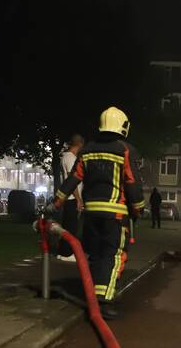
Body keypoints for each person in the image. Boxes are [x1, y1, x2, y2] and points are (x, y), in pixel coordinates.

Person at [47, 106, 145, 319]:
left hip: (90, 214)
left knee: (96, 253)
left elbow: (73, 178)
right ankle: (104, 300)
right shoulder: (126, 149)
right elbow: (132, 183)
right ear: (123, 126)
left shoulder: (87, 150)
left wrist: (56, 202)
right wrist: (139, 208)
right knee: (114, 255)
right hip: (116, 215)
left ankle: (95, 293)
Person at [56, 134, 85, 262]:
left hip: (69, 198)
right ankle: (67, 253)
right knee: (71, 227)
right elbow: (71, 180)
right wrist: (78, 198)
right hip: (71, 198)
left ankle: (62, 252)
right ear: (79, 144)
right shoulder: (70, 158)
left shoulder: (66, 157)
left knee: (67, 226)